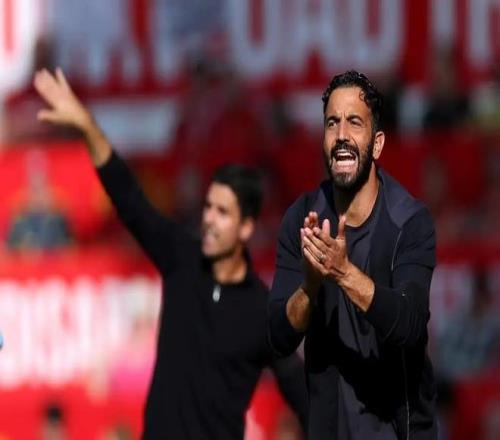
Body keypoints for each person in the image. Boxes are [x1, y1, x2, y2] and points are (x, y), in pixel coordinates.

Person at [33, 68, 307, 439]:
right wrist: (88, 127)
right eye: (208, 208)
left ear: (246, 227)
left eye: (223, 212)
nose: (209, 220)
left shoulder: (262, 311)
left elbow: (303, 396)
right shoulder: (182, 259)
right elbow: (130, 200)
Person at [268, 70, 438, 439]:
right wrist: (310, 288)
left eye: (354, 122)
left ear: (377, 144)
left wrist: (343, 273)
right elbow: (277, 338)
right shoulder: (303, 218)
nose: (342, 135)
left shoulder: (410, 222)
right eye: (332, 123)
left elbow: (410, 324)